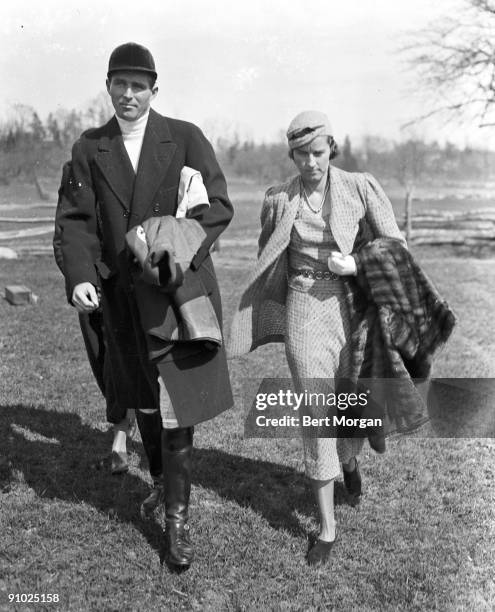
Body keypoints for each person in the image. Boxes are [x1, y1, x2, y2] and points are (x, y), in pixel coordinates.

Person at [55, 42, 234, 568]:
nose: (128, 94)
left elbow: (218, 207)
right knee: (145, 399)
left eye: (139, 85)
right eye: (119, 84)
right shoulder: (90, 148)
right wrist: (81, 276)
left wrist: (169, 241)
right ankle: (160, 482)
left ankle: (176, 521)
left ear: (155, 89)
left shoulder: (184, 137)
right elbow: (74, 222)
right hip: (121, 297)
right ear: (107, 87)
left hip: (179, 294)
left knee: (178, 401)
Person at [229, 110, 409, 566]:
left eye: (318, 152)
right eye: (301, 154)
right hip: (304, 306)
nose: (311, 162)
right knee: (316, 408)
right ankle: (327, 527)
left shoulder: (359, 187)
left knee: (351, 400)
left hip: (353, 307)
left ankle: (348, 460)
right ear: (290, 154)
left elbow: (396, 245)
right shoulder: (280, 200)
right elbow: (268, 253)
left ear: (331, 148)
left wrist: (359, 263)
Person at [54, 163, 136, 476]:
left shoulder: (138, 168)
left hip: (127, 286)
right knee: (102, 362)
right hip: (92, 286)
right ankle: (125, 426)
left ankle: (120, 443)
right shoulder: (77, 167)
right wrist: (78, 280)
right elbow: (64, 233)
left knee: (120, 364)